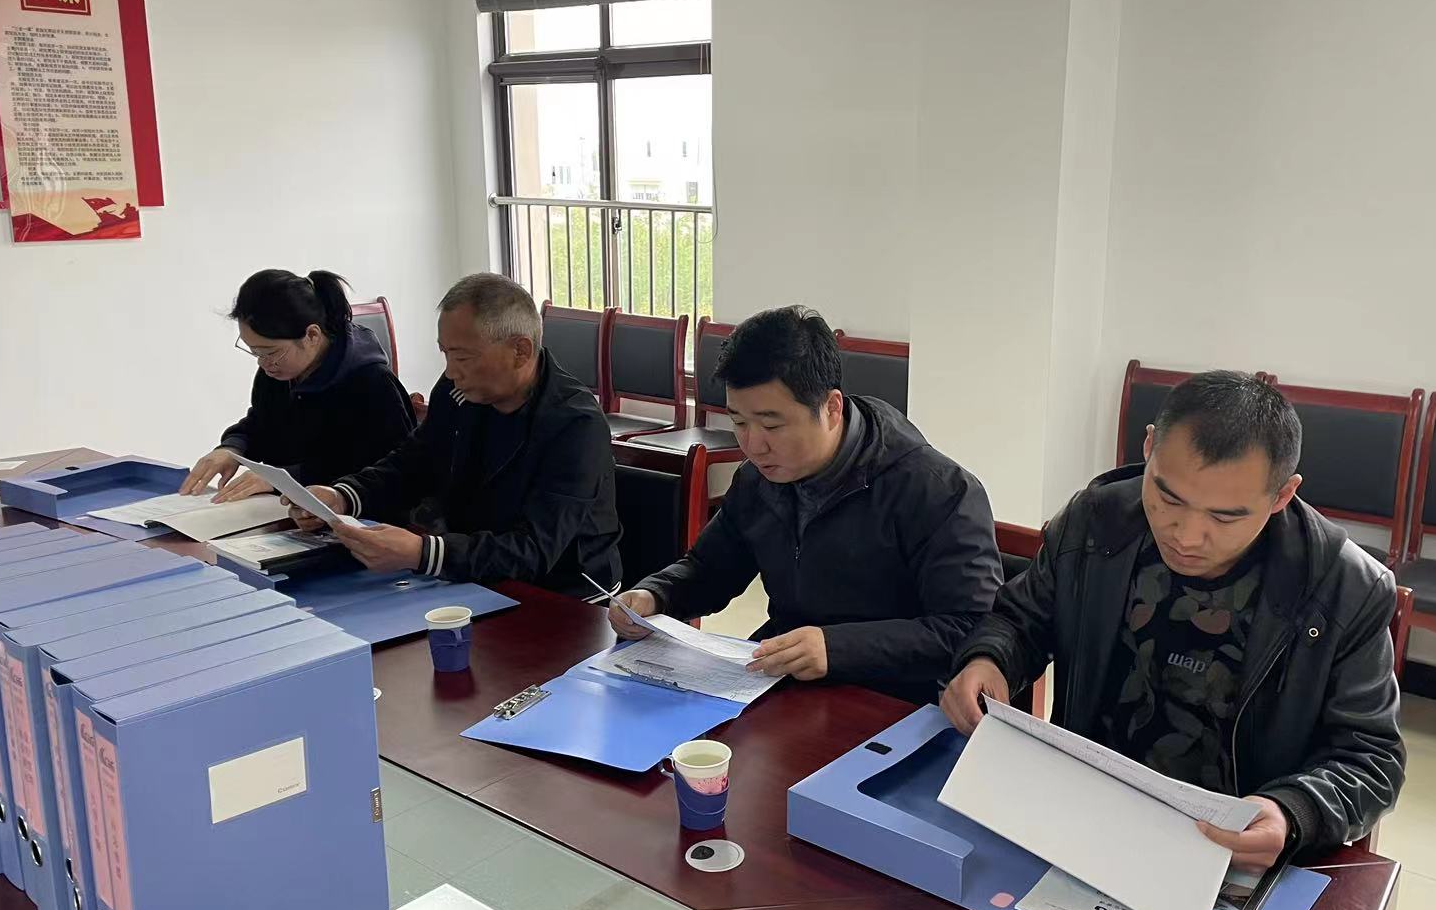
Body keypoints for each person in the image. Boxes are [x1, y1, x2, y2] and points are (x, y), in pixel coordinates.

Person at [940, 372, 1405, 867]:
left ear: (1282, 495)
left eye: (1224, 517)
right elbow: (1021, 620)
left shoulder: (1344, 589)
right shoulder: (1097, 521)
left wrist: (1292, 813)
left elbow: (1371, 758)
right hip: (1081, 811)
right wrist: (989, 659)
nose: (1185, 535)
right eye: (1168, 497)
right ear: (1149, 448)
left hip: (1227, 848)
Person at [609, 306, 1002, 703]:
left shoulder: (937, 491)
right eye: (739, 422)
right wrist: (655, 595)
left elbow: (969, 628)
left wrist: (836, 648)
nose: (753, 445)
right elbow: (711, 568)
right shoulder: (758, 478)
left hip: (891, 701)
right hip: (782, 682)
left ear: (831, 408)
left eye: (772, 425)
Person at [289, 273, 621, 597]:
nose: (450, 371)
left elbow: (533, 550)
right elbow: (413, 463)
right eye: (445, 353)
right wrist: (343, 496)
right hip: (472, 577)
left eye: (462, 357)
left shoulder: (575, 425)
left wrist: (422, 553)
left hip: (563, 598)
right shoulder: (458, 391)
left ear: (520, 351)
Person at [181, 269, 415, 501]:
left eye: (270, 352)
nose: (263, 363)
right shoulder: (278, 373)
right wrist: (233, 448)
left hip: (357, 514)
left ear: (312, 335)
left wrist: (285, 479)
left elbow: (389, 471)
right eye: (255, 352)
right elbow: (262, 423)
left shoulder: (371, 382)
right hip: (288, 506)